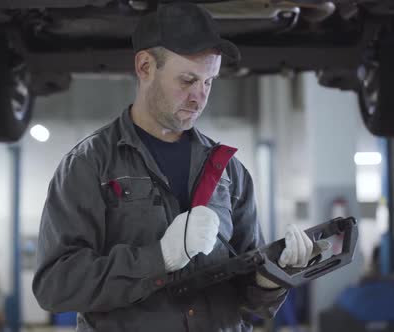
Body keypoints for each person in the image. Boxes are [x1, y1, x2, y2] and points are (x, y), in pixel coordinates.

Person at [33, 3, 314, 331]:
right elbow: (56, 286)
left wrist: (273, 278)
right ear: (145, 66)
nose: (200, 96)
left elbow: (248, 303)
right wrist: (160, 258)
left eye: (209, 82)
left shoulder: (229, 172)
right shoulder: (89, 165)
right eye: (187, 79)